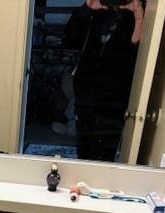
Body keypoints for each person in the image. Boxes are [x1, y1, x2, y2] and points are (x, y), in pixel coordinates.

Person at [63, 0, 144, 161]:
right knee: (83, 151)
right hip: (86, 96)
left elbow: (139, 56)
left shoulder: (142, 11)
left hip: (115, 100)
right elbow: (69, 41)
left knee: (106, 154)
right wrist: (87, 8)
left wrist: (139, 17)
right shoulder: (96, 9)